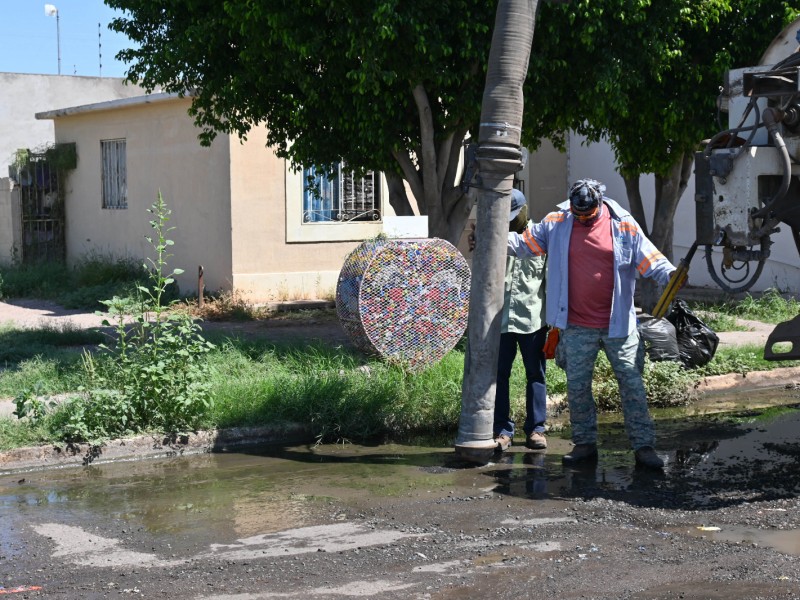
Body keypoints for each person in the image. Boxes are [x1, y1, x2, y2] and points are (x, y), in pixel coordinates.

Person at [507, 179, 676, 470]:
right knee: (577, 387)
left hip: (618, 325)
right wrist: (491, 239)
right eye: (579, 214)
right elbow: (525, 243)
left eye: (588, 214)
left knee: (632, 385)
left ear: (599, 203)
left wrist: (671, 275)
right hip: (576, 324)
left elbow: (651, 260)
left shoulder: (623, 224)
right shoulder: (558, 222)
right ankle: (585, 444)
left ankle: (644, 447)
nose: (583, 219)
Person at [492, 188, 548, 453]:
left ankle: (536, 430)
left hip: (532, 320)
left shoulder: (541, 239)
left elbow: (549, 280)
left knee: (535, 374)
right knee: (499, 376)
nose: (511, 220)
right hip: (500, 320)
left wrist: (556, 321)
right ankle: (503, 431)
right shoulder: (495, 238)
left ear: (525, 210)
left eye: (515, 215)